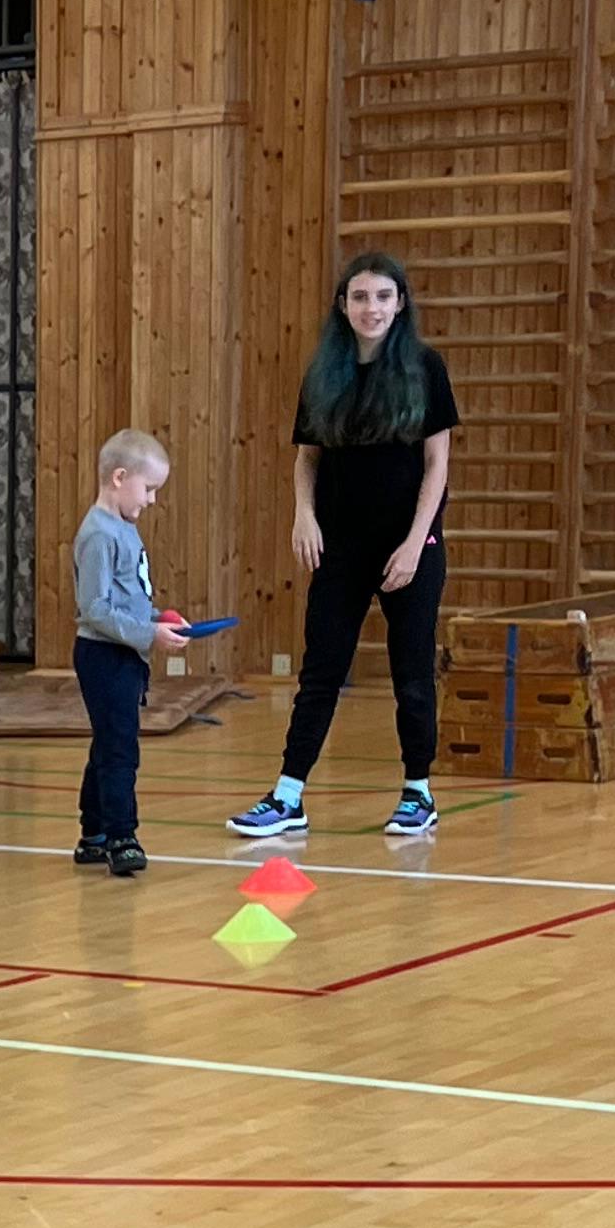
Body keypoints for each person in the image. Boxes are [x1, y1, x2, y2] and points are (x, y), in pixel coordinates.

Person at [231, 250, 459, 843]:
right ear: (343, 305)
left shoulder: (425, 368)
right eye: (360, 297)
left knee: (411, 672)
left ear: (400, 304)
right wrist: (303, 516)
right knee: (321, 670)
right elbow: (307, 459)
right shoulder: (324, 374)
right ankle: (288, 795)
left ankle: (418, 792)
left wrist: (416, 543)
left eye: (383, 296)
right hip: (341, 547)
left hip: (410, 545)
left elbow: (437, 463)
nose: (371, 308)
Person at [74, 428, 185, 876]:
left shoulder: (123, 528)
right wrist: (149, 633)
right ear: (119, 478)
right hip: (104, 656)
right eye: (149, 488)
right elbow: (95, 609)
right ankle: (122, 835)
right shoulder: (99, 534)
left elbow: (126, 598)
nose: (152, 500)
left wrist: (157, 620)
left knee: (109, 742)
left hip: (124, 653)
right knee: (120, 749)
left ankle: (94, 834)